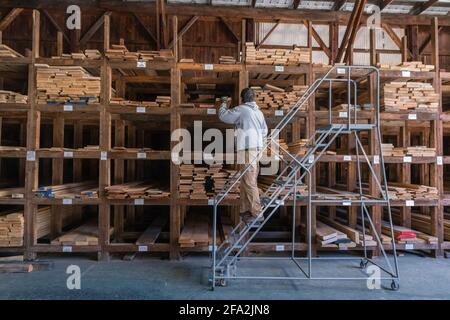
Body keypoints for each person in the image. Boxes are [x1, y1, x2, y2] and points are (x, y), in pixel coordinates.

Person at [218, 88, 268, 224]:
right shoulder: (259, 112)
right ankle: (246, 210)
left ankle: (257, 213)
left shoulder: (242, 109)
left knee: (249, 181)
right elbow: (265, 132)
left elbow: (224, 116)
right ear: (254, 97)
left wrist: (223, 103)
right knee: (247, 180)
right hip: (256, 149)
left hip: (247, 149)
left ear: (242, 99)